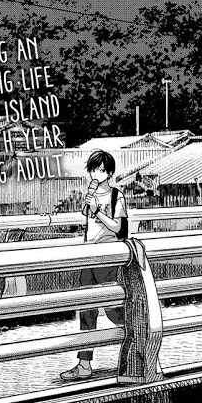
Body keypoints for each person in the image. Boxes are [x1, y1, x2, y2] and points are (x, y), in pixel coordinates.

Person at [60, 149, 128, 380]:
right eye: (93, 170)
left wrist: (98, 211)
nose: (95, 174)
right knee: (86, 309)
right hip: (89, 255)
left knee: (113, 310)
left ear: (109, 173)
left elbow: (119, 228)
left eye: (100, 170)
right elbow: (87, 219)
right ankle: (84, 364)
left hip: (107, 256)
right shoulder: (91, 195)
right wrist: (90, 205)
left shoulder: (116, 196)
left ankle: (140, 343)